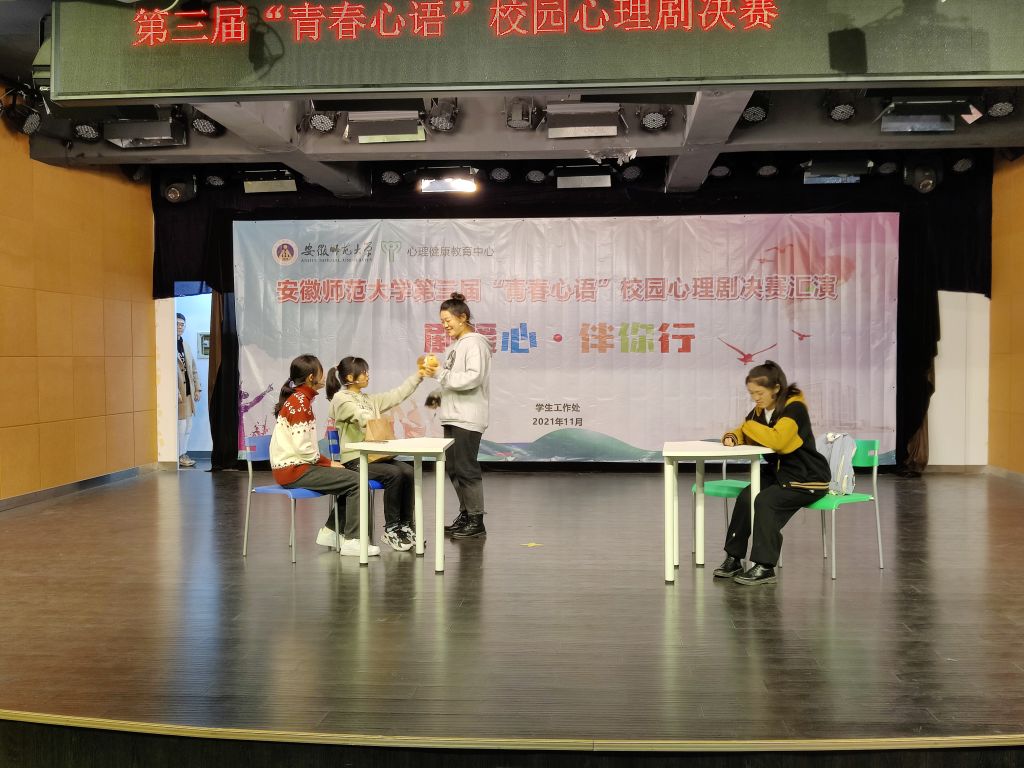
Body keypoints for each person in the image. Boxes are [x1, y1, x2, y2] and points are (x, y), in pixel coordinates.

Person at [713, 360, 831, 585]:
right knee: (747, 497)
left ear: (776, 388)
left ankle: (765, 566)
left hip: (806, 477)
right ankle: (734, 558)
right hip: (779, 473)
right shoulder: (762, 410)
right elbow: (745, 430)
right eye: (751, 393)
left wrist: (747, 428)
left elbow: (779, 441)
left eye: (759, 393)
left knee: (766, 501)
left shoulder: (794, 409)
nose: (755, 398)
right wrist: (733, 436)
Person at [269, 354, 378, 557]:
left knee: (349, 479)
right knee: (357, 481)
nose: (324, 376)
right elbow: (304, 450)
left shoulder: (300, 400)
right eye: (320, 372)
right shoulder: (300, 403)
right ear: (311, 377)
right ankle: (353, 541)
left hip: (295, 467)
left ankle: (331, 531)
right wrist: (327, 463)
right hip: (294, 469)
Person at [326, 356, 433, 552]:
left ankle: (405, 525)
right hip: (355, 459)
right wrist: (371, 419)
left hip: (375, 457)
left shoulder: (369, 399)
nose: (367, 375)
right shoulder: (340, 398)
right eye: (363, 372)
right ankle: (391, 529)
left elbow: (397, 394)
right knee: (394, 474)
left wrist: (418, 376)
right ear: (350, 377)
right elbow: (357, 414)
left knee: (408, 471)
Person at [432, 292, 492, 539]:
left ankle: (476, 520)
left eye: (448, 320)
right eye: (442, 321)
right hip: (453, 415)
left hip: (467, 416)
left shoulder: (475, 343)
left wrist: (441, 374)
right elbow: (450, 378)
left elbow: (473, 377)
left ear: (463, 317)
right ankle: (466, 515)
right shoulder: (455, 346)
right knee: (454, 468)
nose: (445, 326)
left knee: (466, 468)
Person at [176, 313, 201, 468]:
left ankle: (183, 453)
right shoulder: (168, 344)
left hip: (188, 392)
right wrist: (175, 392)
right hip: (178, 392)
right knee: (181, 425)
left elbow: (193, 369)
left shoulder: (185, 345)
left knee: (188, 425)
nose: (180, 327)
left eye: (182, 324)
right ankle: (179, 455)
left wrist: (198, 389)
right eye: (177, 323)